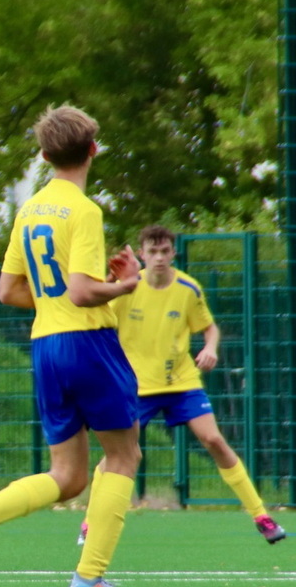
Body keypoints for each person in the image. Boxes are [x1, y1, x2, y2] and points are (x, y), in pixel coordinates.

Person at [0, 105, 148, 587]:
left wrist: (90, 287)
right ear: (92, 150)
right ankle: (89, 579)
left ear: (44, 154)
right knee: (123, 456)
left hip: (46, 346)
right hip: (88, 343)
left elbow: (8, 290)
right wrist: (123, 286)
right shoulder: (85, 210)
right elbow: (79, 293)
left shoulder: (30, 208)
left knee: (69, 476)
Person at [76, 225, 284, 544]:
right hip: (136, 387)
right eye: (152, 251)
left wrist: (210, 347)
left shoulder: (189, 288)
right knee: (118, 455)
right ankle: (91, 521)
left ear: (173, 253)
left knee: (213, 439)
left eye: (164, 251)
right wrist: (107, 282)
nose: (158, 258)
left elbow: (210, 329)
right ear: (142, 254)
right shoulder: (126, 288)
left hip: (181, 382)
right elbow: (95, 314)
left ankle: (261, 516)